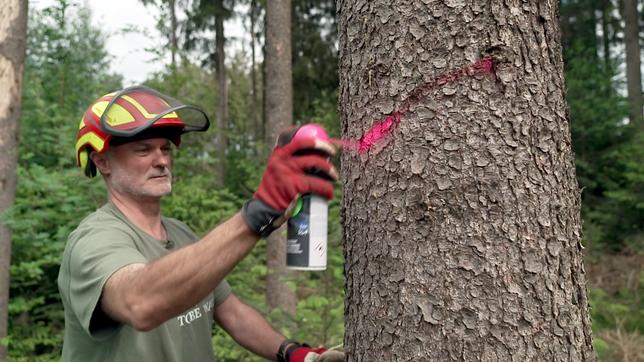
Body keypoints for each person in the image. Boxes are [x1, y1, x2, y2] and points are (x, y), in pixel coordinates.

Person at [57, 86, 345, 362]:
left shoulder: (181, 234)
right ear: (103, 162)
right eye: (143, 150)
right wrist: (258, 213)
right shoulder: (92, 240)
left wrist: (295, 354)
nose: (161, 161)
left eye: (165, 149)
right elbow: (139, 303)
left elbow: (232, 313)